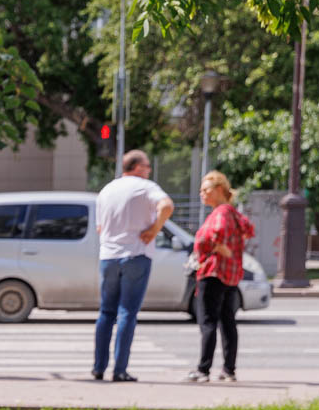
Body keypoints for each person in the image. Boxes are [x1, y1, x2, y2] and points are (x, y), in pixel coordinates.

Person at [92, 149, 173, 382]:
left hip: (108, 256)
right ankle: (120, 369)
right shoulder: (146, 187)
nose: (149, 171)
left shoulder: (107, 190)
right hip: (136, 255)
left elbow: (100, 228)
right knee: (127, 312)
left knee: (106, 312)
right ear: (137, 167)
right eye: (147, 166)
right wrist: (154, 230)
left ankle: (99, 367)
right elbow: (167, 206)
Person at [188, 170, 254, 383]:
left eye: (205, 190)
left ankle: (203, 369)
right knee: (227, 322)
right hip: (231, 275)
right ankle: (228, 369)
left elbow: (213, 235)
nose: (202, 194)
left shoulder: (221, 213)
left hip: (214, 273)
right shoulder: (232, 212)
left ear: (219, 190)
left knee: (207, 322)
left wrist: (212, 245)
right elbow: (248, 229)